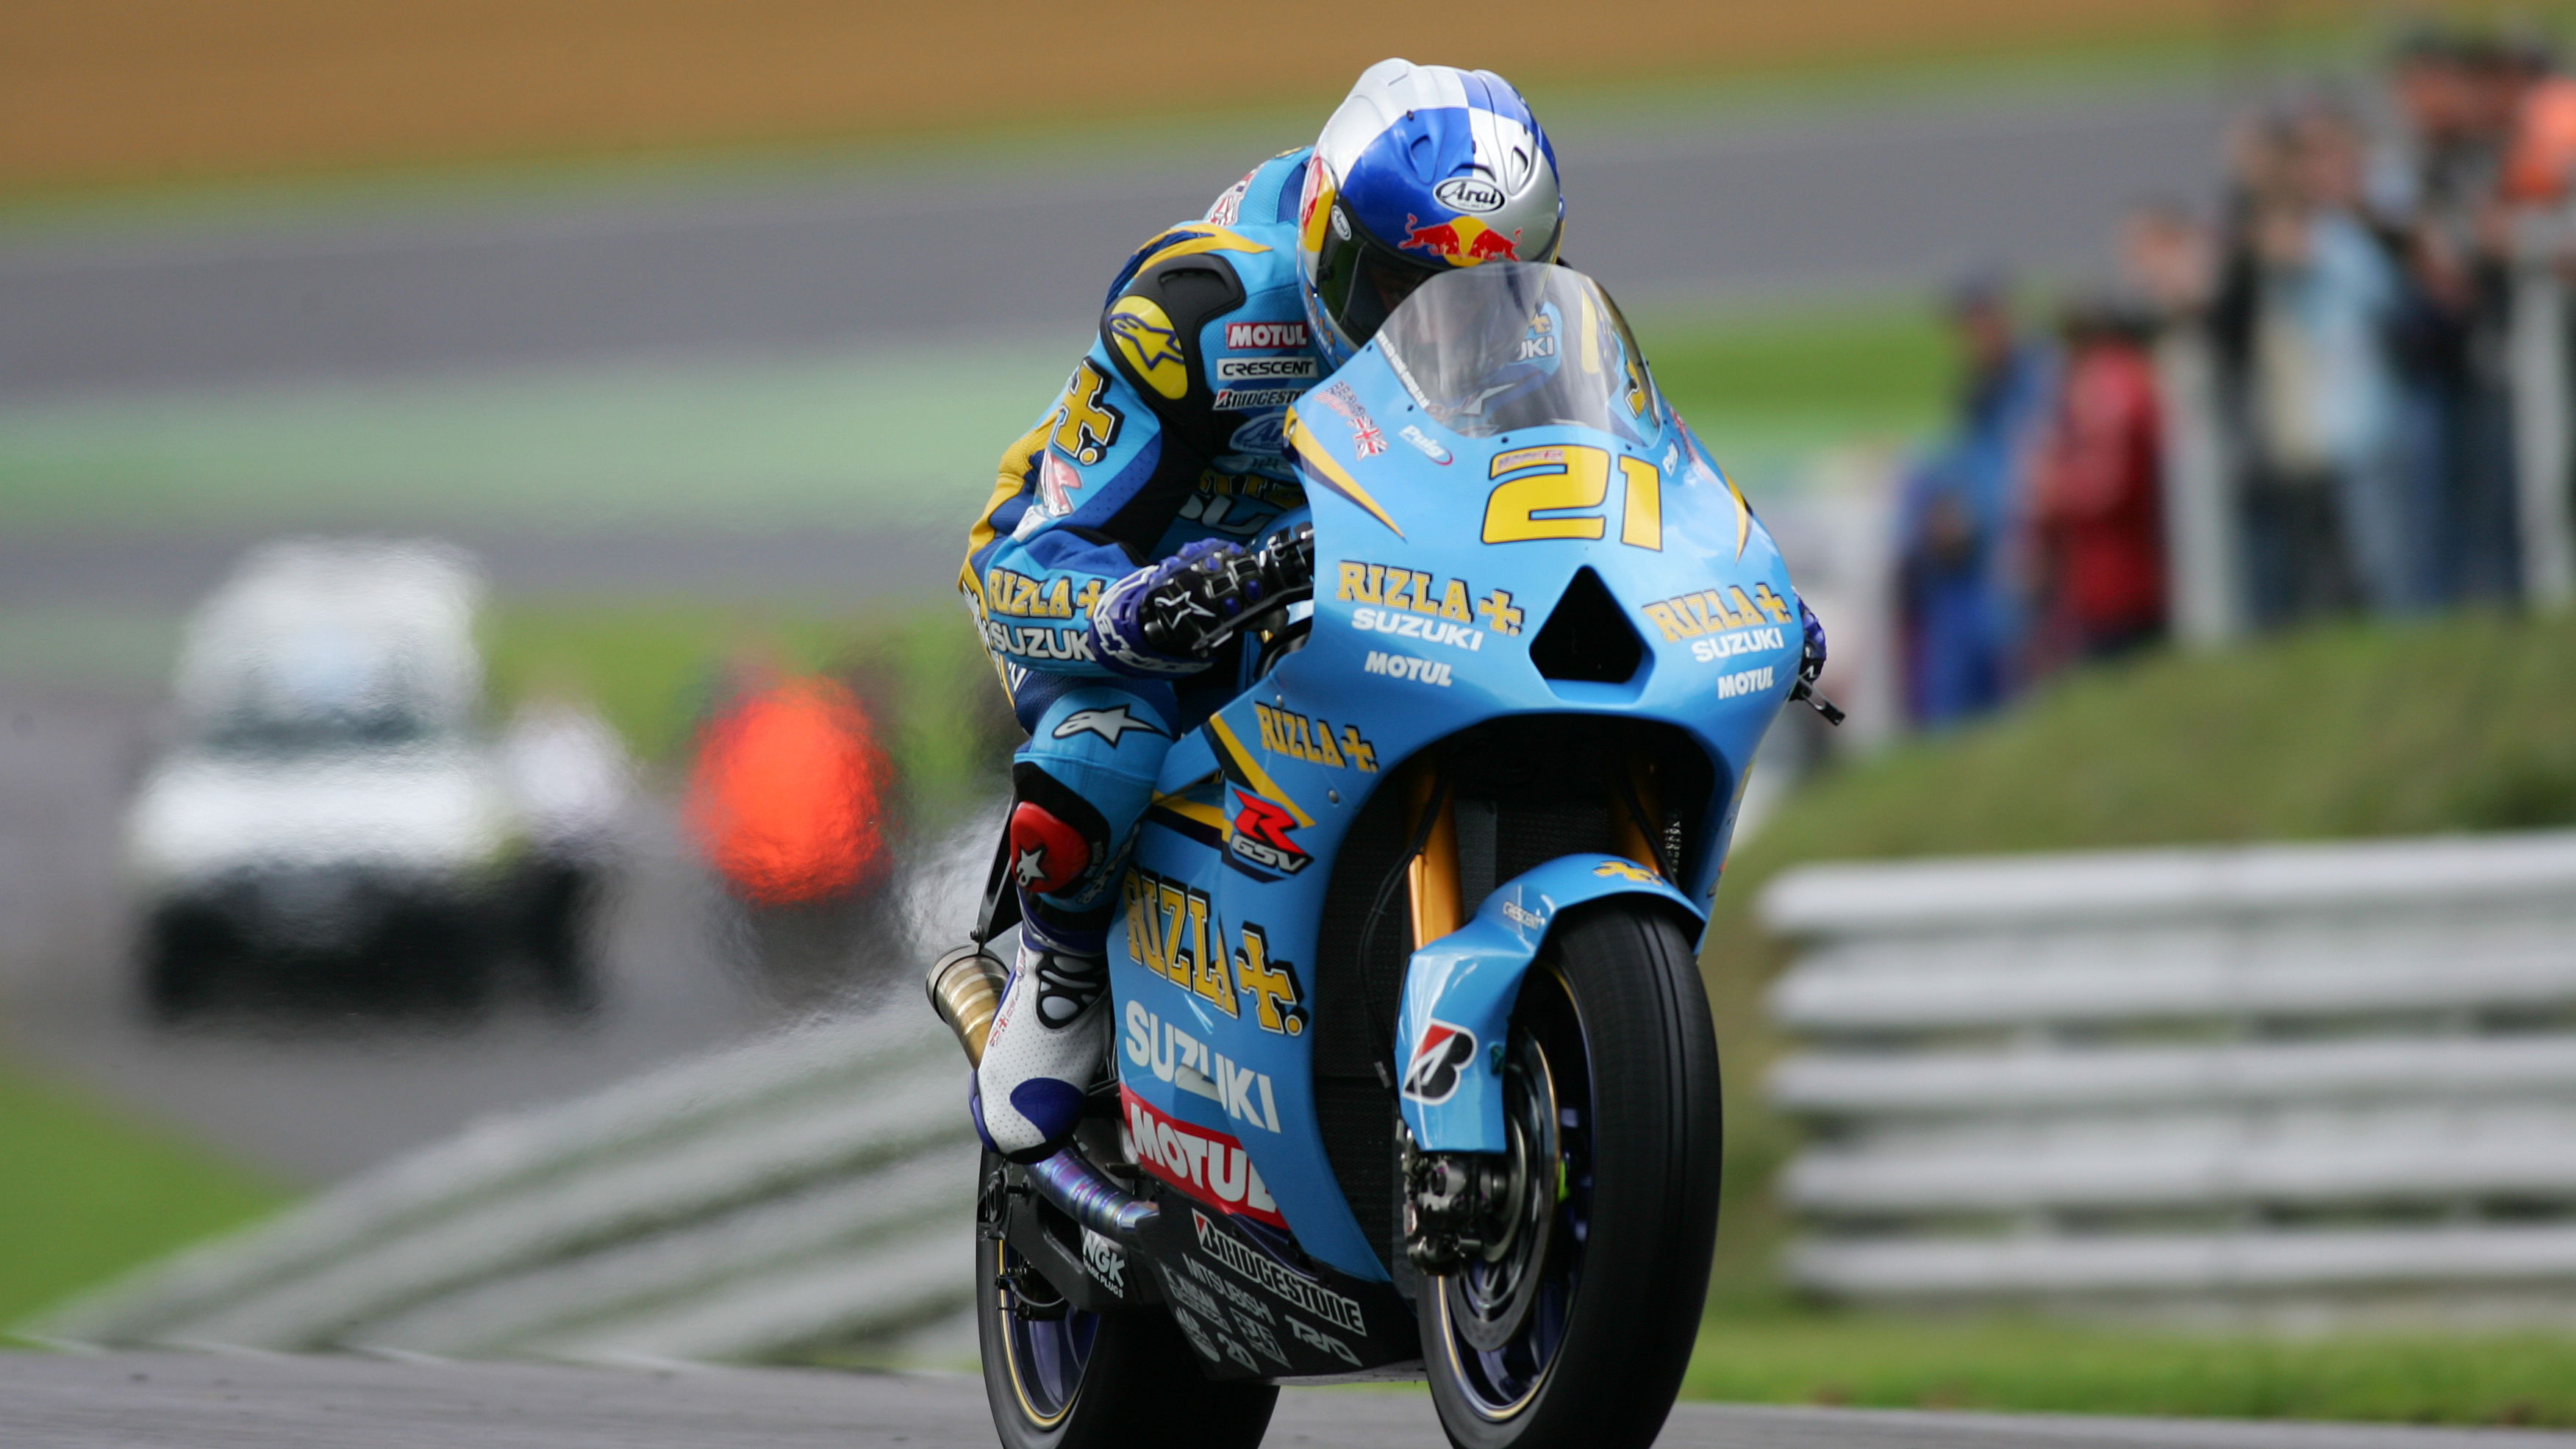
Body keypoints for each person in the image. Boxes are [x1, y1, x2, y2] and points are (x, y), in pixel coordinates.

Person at [956, 61, 1567, 1161]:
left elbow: (1617, 477)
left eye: (1480, 296)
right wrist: (1140, 604)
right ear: (1330, 248)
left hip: (1354, 577)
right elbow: (1035, 558)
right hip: (1121, 564)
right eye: (1399, 290)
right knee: (1115, 729)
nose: (1435, 334)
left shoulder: (1527, 342)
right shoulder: (1203, 314)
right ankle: (1062, 969)